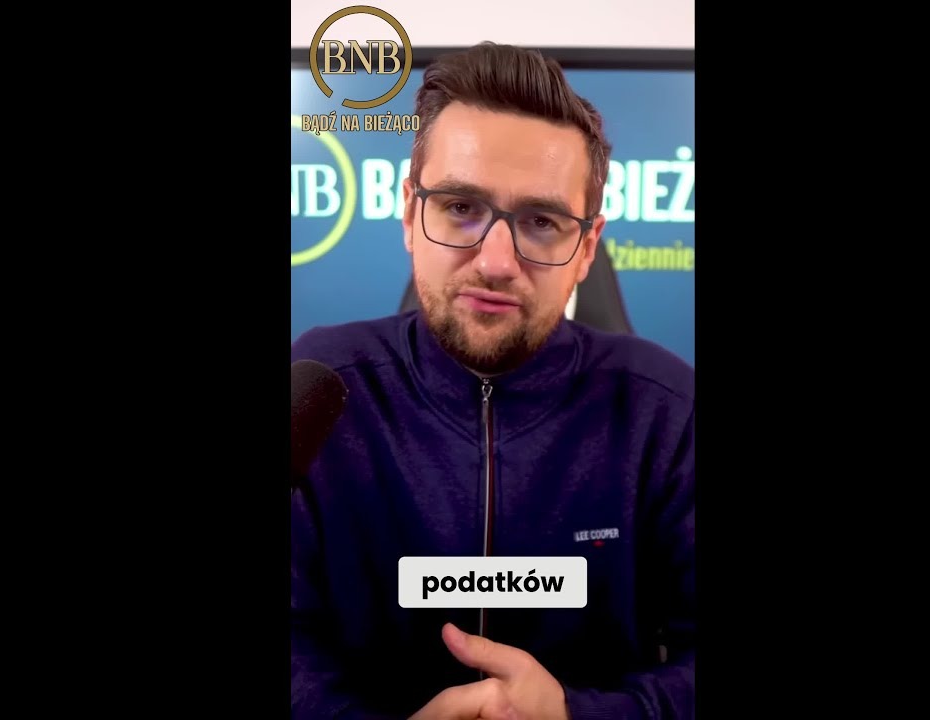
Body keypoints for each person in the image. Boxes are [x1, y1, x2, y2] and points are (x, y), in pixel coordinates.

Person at [291, 42, 695, 719]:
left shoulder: (668, 413)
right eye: (460, 206)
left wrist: (576, 714)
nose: (496, 261)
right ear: (410, 214)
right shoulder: (320, 394)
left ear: (587, 247)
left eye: (541, 222)